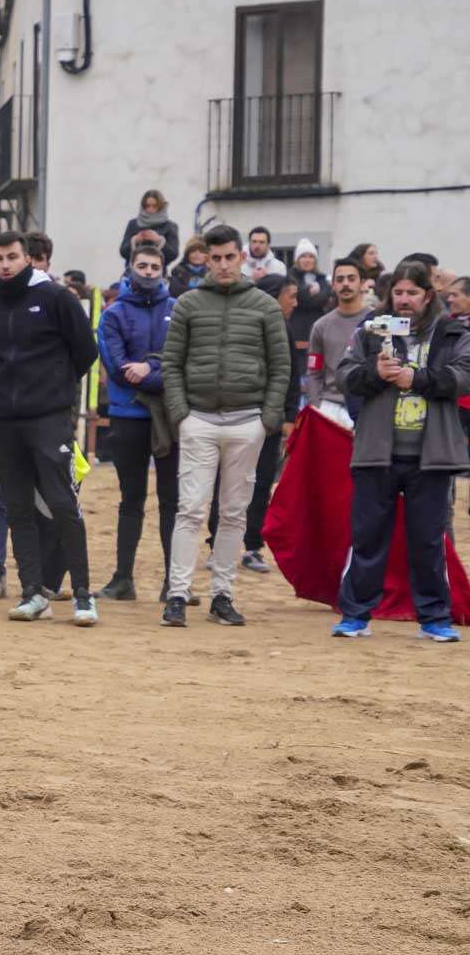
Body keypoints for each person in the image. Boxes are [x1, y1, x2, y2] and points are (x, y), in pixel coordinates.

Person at [159, 224, 290, 628]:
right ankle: (178, 593)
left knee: (234, 513)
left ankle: (222, 594)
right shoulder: (188, 304)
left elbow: (281, 366)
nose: (222, 265)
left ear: (241, 257)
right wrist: (181, 413)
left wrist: (267, 419)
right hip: (198, 418)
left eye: (229, 257)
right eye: (215, 258)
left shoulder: (265, 307)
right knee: (191, 509)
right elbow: (171, 363)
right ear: (206, 259)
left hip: (246, 421)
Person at [332, 263, 470, 641]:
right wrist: (375, 372)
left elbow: (465, 374)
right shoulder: (370, 330)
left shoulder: (452, 330)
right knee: (367, 538)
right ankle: (356, 615)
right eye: (399, 292)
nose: (404, 300)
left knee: (428, 540)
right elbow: (343, 375)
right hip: (377, 450)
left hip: (432, 453)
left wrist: (418, 378)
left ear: (428, 295)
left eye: (412, 293)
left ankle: (434, 618)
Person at [0, 230, 100, 625]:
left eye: (12, 256)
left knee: (64, 504)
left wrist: (54, 390)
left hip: (49, 417)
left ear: (28, 258)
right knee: (17, 509)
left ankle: (82, 594)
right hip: (6, 423)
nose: (5, 264)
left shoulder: (57, 299)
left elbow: (85, 352)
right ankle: (33, 592)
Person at [96, 244, 177, 600]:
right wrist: (158, 373)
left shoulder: (176, 309)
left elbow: (181, 361)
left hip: (169, 417)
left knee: (171, 500)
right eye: (142, 265)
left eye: (154, 265)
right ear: (130, 268)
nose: (147, 271)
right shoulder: (113, 314)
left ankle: (174, 580)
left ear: (163, 269)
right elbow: (116, 366)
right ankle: (123, 578)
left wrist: (149, 368)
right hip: (128, 414)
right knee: (131, 498)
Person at [118, 189, 181, 267]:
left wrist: (158, 241)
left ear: (161, 206)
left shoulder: (170, 226)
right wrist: (135, 240)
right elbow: (123, 252)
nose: (150, 209)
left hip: (158, 273)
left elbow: (173, 255)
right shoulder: (133, 224)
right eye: (147, 206)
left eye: (155, 206)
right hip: (132, 272)